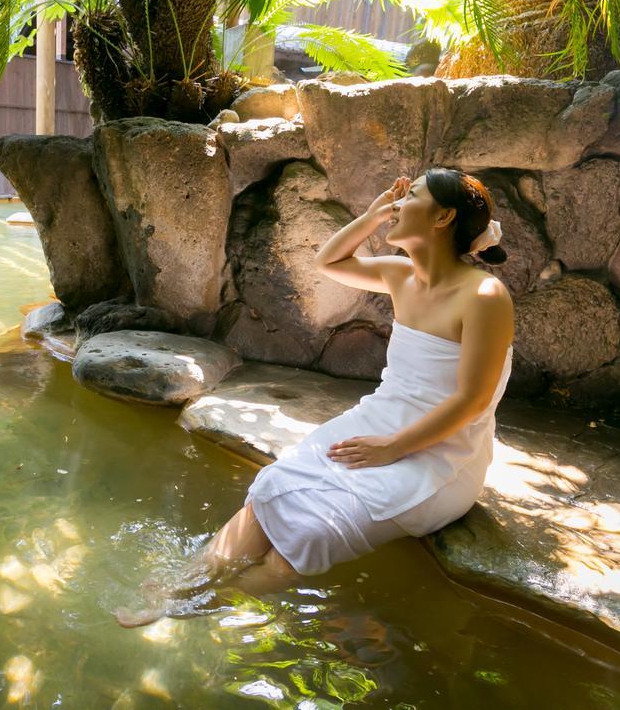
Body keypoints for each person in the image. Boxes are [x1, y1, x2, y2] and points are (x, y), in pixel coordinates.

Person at [117, 168, 514, 627]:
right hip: (380, 422)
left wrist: (393, 448)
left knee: (307, 536)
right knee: (270, 491)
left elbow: (472, 401)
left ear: (443, 217)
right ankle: (182, 584)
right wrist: (369, 217)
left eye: (414, 197)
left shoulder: (485, 295)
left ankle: (187, 612)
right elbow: (330, 261)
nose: (398, 205)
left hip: (443, 455)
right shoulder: (401, 275)